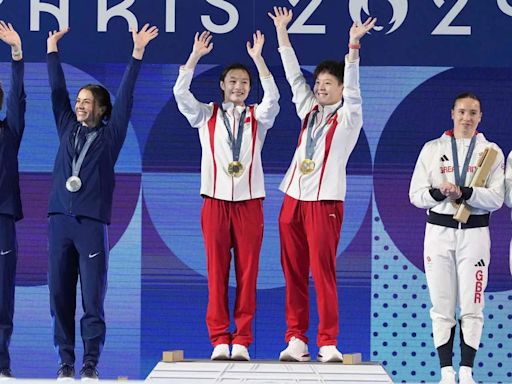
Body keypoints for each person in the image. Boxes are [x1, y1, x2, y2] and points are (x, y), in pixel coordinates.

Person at [46, 24, 158, 380]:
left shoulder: (111, 137)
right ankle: (65, 363)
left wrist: (137, 54)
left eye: (86, 102)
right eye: (78, 101)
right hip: (59, 224)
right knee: (59, 299)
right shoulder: (66, 126)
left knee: (92, 300)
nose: (79, 105)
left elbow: (125, 98)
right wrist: (51, 50)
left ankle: (90, 364)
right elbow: (56, 90)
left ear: (101, 108)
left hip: (91, 225)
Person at [268, 7, 375, 363]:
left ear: (342, 89)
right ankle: (296, 338)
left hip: (325, 203)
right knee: (293, 272)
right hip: (292, 200)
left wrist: (353, 48)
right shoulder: (308, 111)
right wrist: (282, 33)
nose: (320, 87)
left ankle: (328, 341)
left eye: (328, 84)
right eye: (319, 83)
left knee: (322, 272)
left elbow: (356, 90)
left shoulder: (349, 117)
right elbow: (291, 77)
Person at [173, 30, 280, 361]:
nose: (238, 87)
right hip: (215, 204)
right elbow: (179, 91)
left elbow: (274, 98)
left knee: (248, 276)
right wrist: (194, 56)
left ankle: (243, 340)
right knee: (217, 273)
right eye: (233, 81)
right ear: (222, 85)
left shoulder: (257, 117)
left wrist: (259, 60)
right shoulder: (206, 115)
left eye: (244, 82)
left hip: (250, 204)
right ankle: (220, 338)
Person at [409, 93, 504, 384]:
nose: (467, 118)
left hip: (474, 235)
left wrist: (466, 192)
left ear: (480, 117)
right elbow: (416, 195)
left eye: (473, 112)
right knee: (441, 304)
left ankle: (467, 371)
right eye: (462, 111)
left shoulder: (491, 152)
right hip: (438, 235)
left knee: (473, 304)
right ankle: (446, 372)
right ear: (452, 113)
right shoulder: (432, 149)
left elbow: (497, 198)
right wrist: (440, 193)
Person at [0, 20, 25, 379]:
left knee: (2, 296)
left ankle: (1, 364)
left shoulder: (10, 132)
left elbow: (19, 96)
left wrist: (16, 54)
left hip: (2, 218)